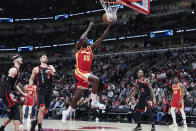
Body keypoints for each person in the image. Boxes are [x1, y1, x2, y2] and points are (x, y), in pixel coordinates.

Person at [62, 21, 112, 122]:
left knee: (77, 96)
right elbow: (81, 39)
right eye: (85, 38)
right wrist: (89, 28)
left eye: (87, 38)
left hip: (85, 74)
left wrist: (109, 26)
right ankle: (93, 102)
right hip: (79, 71)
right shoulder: (78, 49)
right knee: (96, 79)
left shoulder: (91, 48)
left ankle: (66, 112)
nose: (86, 39)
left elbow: (102, 37)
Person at [29, 54, 59, 131]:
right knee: (41, 108)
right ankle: (40, 127)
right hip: (40, 90)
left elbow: (58, 76)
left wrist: (51, 73)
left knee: (45, 111)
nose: (45, 58)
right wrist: (31, 85)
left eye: (46, 57)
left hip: (49, 90)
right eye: (43, 57)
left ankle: (34, 122)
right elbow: (31, 79)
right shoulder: (36, 68)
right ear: (40, 59)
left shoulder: (51, 67)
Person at [0, 55, 28, 131]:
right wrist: (10, 94)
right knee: (16, 111)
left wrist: (23, 93)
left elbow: (15, 84)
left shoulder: (18, 71)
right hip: (6, 92)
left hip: (8, 91)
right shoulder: (13, 70)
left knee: (12, 113)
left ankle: (2, 128)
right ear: (15, 60)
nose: (21, 59)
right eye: (19, 58)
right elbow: (6, 83)